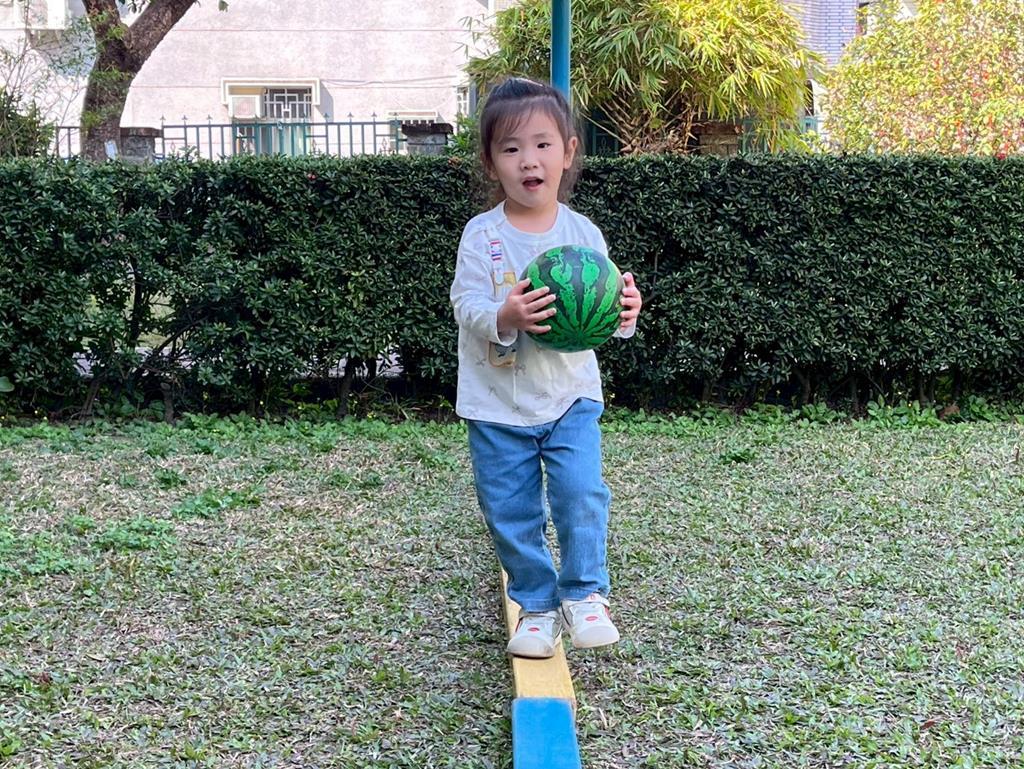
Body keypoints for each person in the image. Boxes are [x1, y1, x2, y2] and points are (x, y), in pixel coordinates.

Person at [449, 77, 643, 658]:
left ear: (568, 151)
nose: (528, 160)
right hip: (496, 403)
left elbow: (602, 313)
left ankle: (584, 595)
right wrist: (504, 314)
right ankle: (535, 607)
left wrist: (625, 312)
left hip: (569, 397)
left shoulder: (583, 234)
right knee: (510, 511)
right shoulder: (482, 235)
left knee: (582, 494)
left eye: (541, 144)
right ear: (491, 162)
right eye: (511, 148)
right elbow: (466, 304)